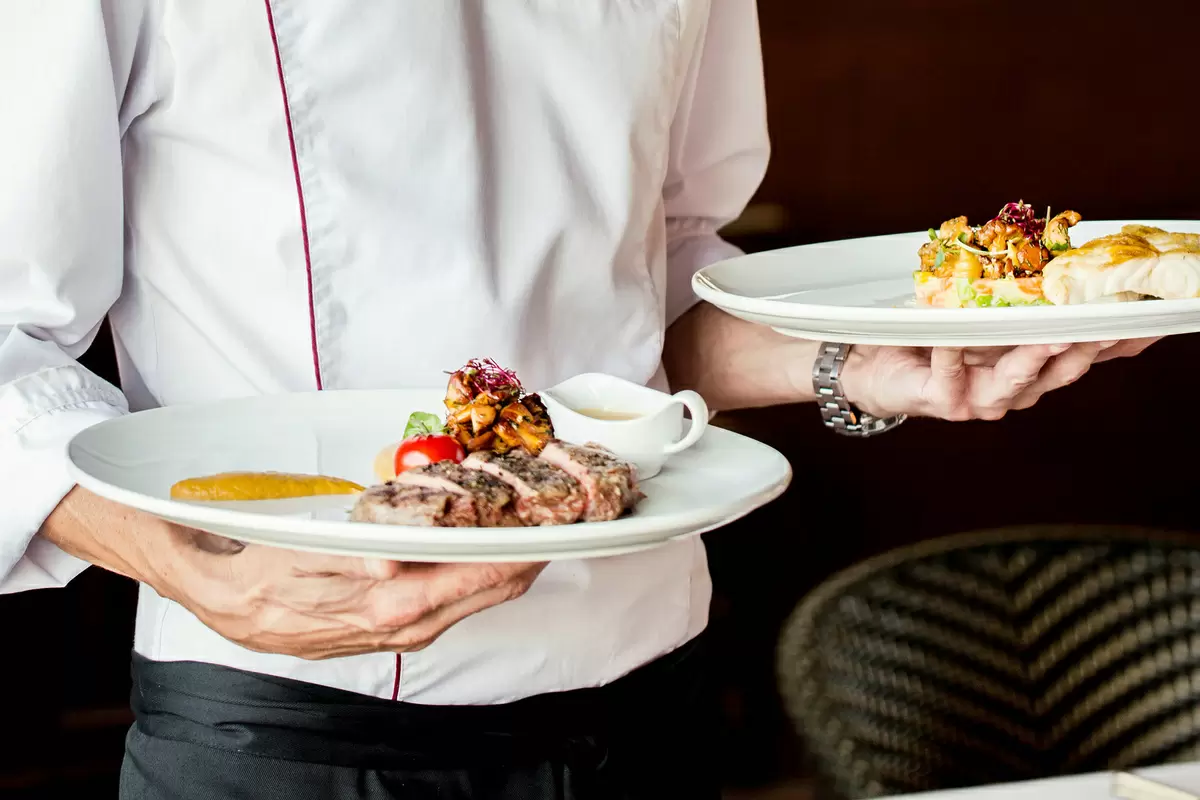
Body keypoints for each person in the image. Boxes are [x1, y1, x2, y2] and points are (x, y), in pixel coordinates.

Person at [0, 3, 1156, 799]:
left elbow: (653, 284)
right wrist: (184, 567)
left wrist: (859, 361)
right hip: (302, 719)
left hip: (652, 698)